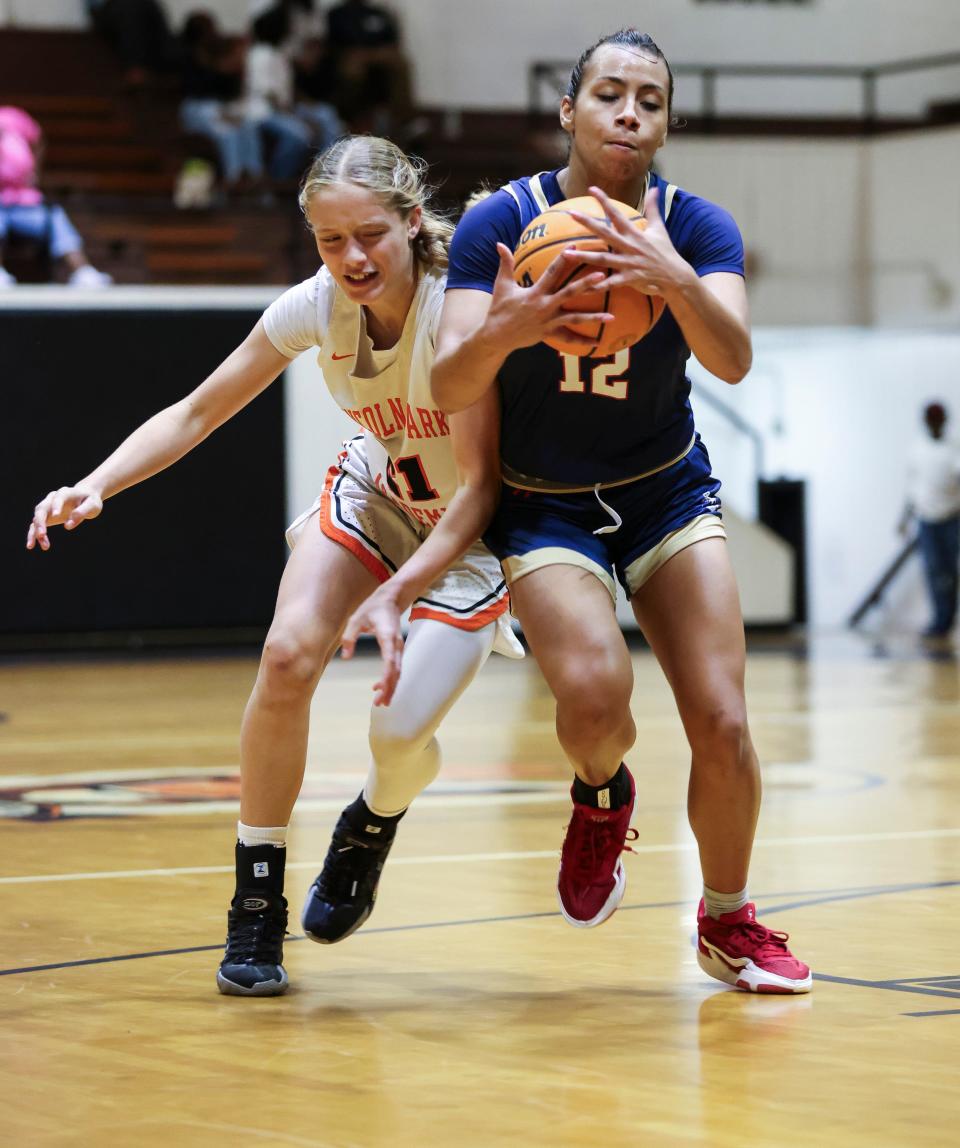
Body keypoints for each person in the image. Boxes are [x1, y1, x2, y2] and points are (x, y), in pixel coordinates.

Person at [26, 135, 520, 997]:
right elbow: (197, 411)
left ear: (411, 222)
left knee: (398, 734)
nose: (352, 258)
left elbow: (490, 479)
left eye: (369, 235)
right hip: (379, 492)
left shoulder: (457, 309)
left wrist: (411, 590)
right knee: (288, 654)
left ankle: (373, 818)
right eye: (331, 241)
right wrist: (96, 484)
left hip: (467, 536)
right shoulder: (315, 307)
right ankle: (257, 898)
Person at [425, 27, 811, 994]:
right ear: (569, 111)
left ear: (668, 122)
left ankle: (729, 921)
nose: (629, 111)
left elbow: (731, 359)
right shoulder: (501, 224)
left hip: (664, 489)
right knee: (597, 701)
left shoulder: (700, 226)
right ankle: (602, 795)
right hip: (544, 502)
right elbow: (445, 381)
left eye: (649, 98)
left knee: (723, 720)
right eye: (608, 93)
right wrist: (510, 324)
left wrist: (671, 276)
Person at [0, 106, 112, 288]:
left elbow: (38, 139)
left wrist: (35, 171)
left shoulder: (11, 116)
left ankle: (82, 272)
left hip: (25, 205)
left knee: (55, 217)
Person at [899, 401, 960, 638]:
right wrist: (904, 518)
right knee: (933, 570)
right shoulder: (917, 450)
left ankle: (947, 618)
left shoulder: (954, 448)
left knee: (950, 571)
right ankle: (939, 620)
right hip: (926, 519)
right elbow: (912, 488)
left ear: (944, 421)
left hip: (951, 517)